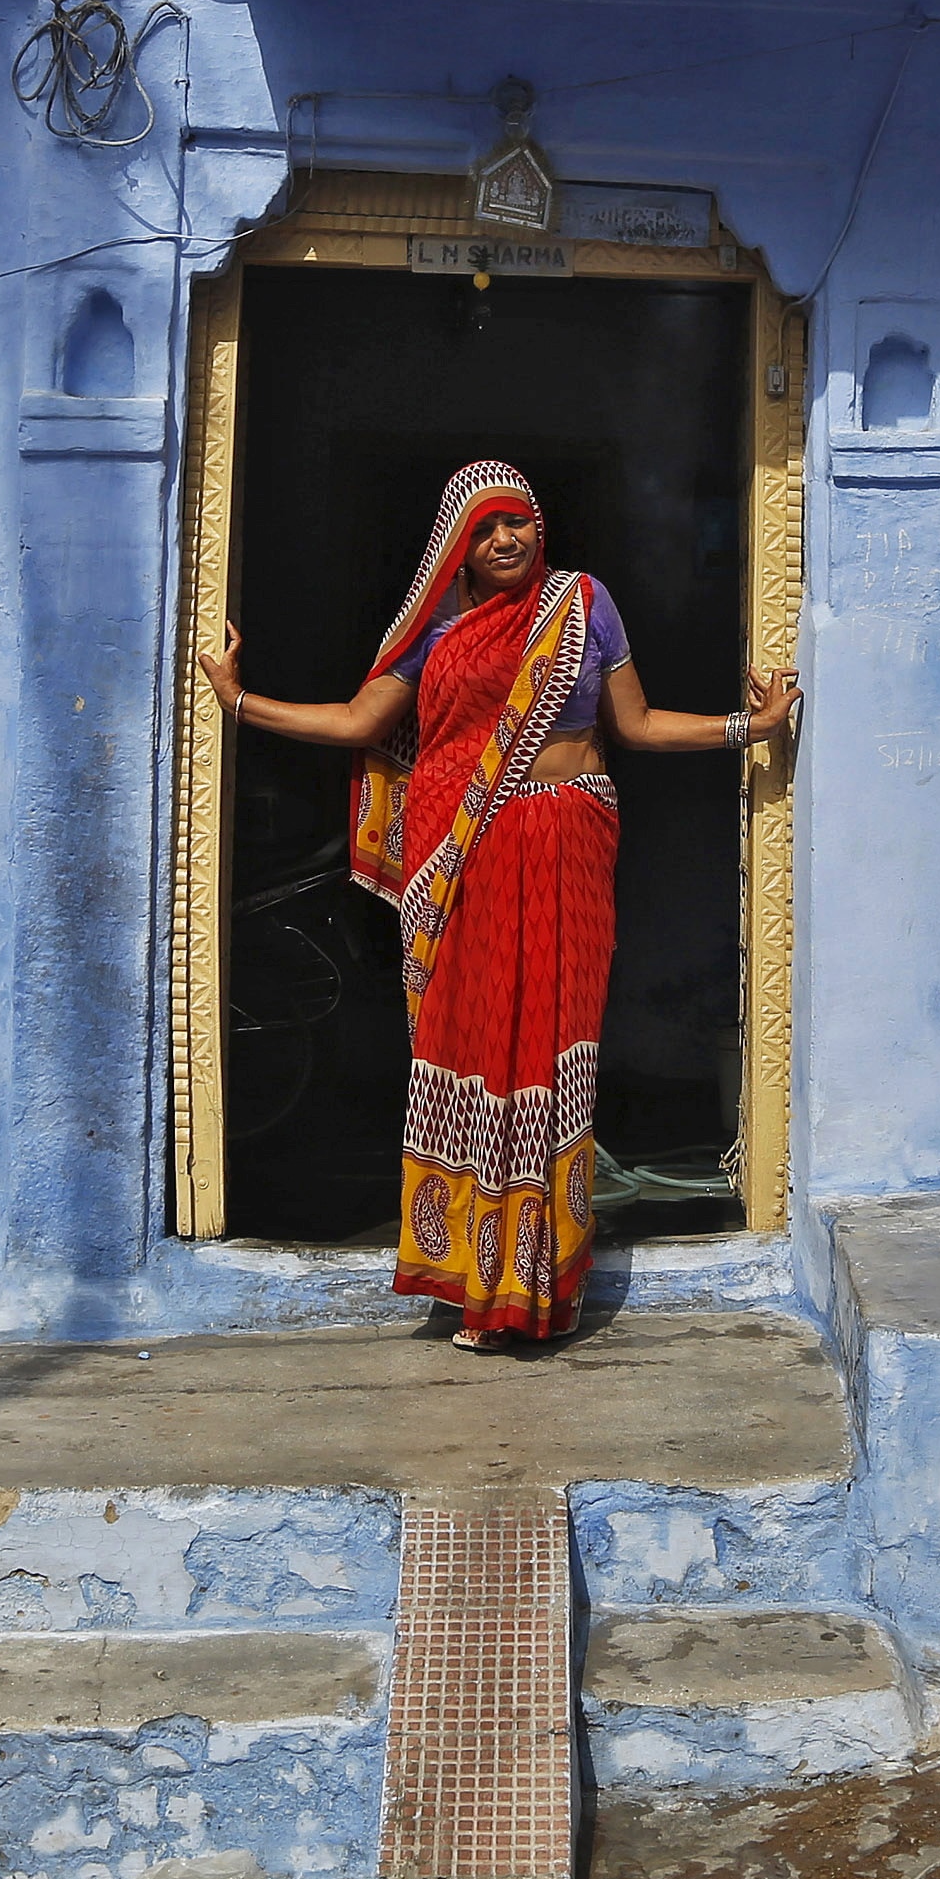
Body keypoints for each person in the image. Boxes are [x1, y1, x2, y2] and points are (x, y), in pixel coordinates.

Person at [199, 463, 797, 1351]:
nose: (507, 540)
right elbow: (360, 724)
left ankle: (540, 1291)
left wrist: (750, 726)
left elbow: (632, 727)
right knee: (475, 1047)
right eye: (486, 529)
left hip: (572, 846)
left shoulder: (583, 603)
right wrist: (238, 700)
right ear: (458, 548)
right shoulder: (439, 631)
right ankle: (480, 1284)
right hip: (471, 860)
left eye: (518, 522)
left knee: (557, 1053)